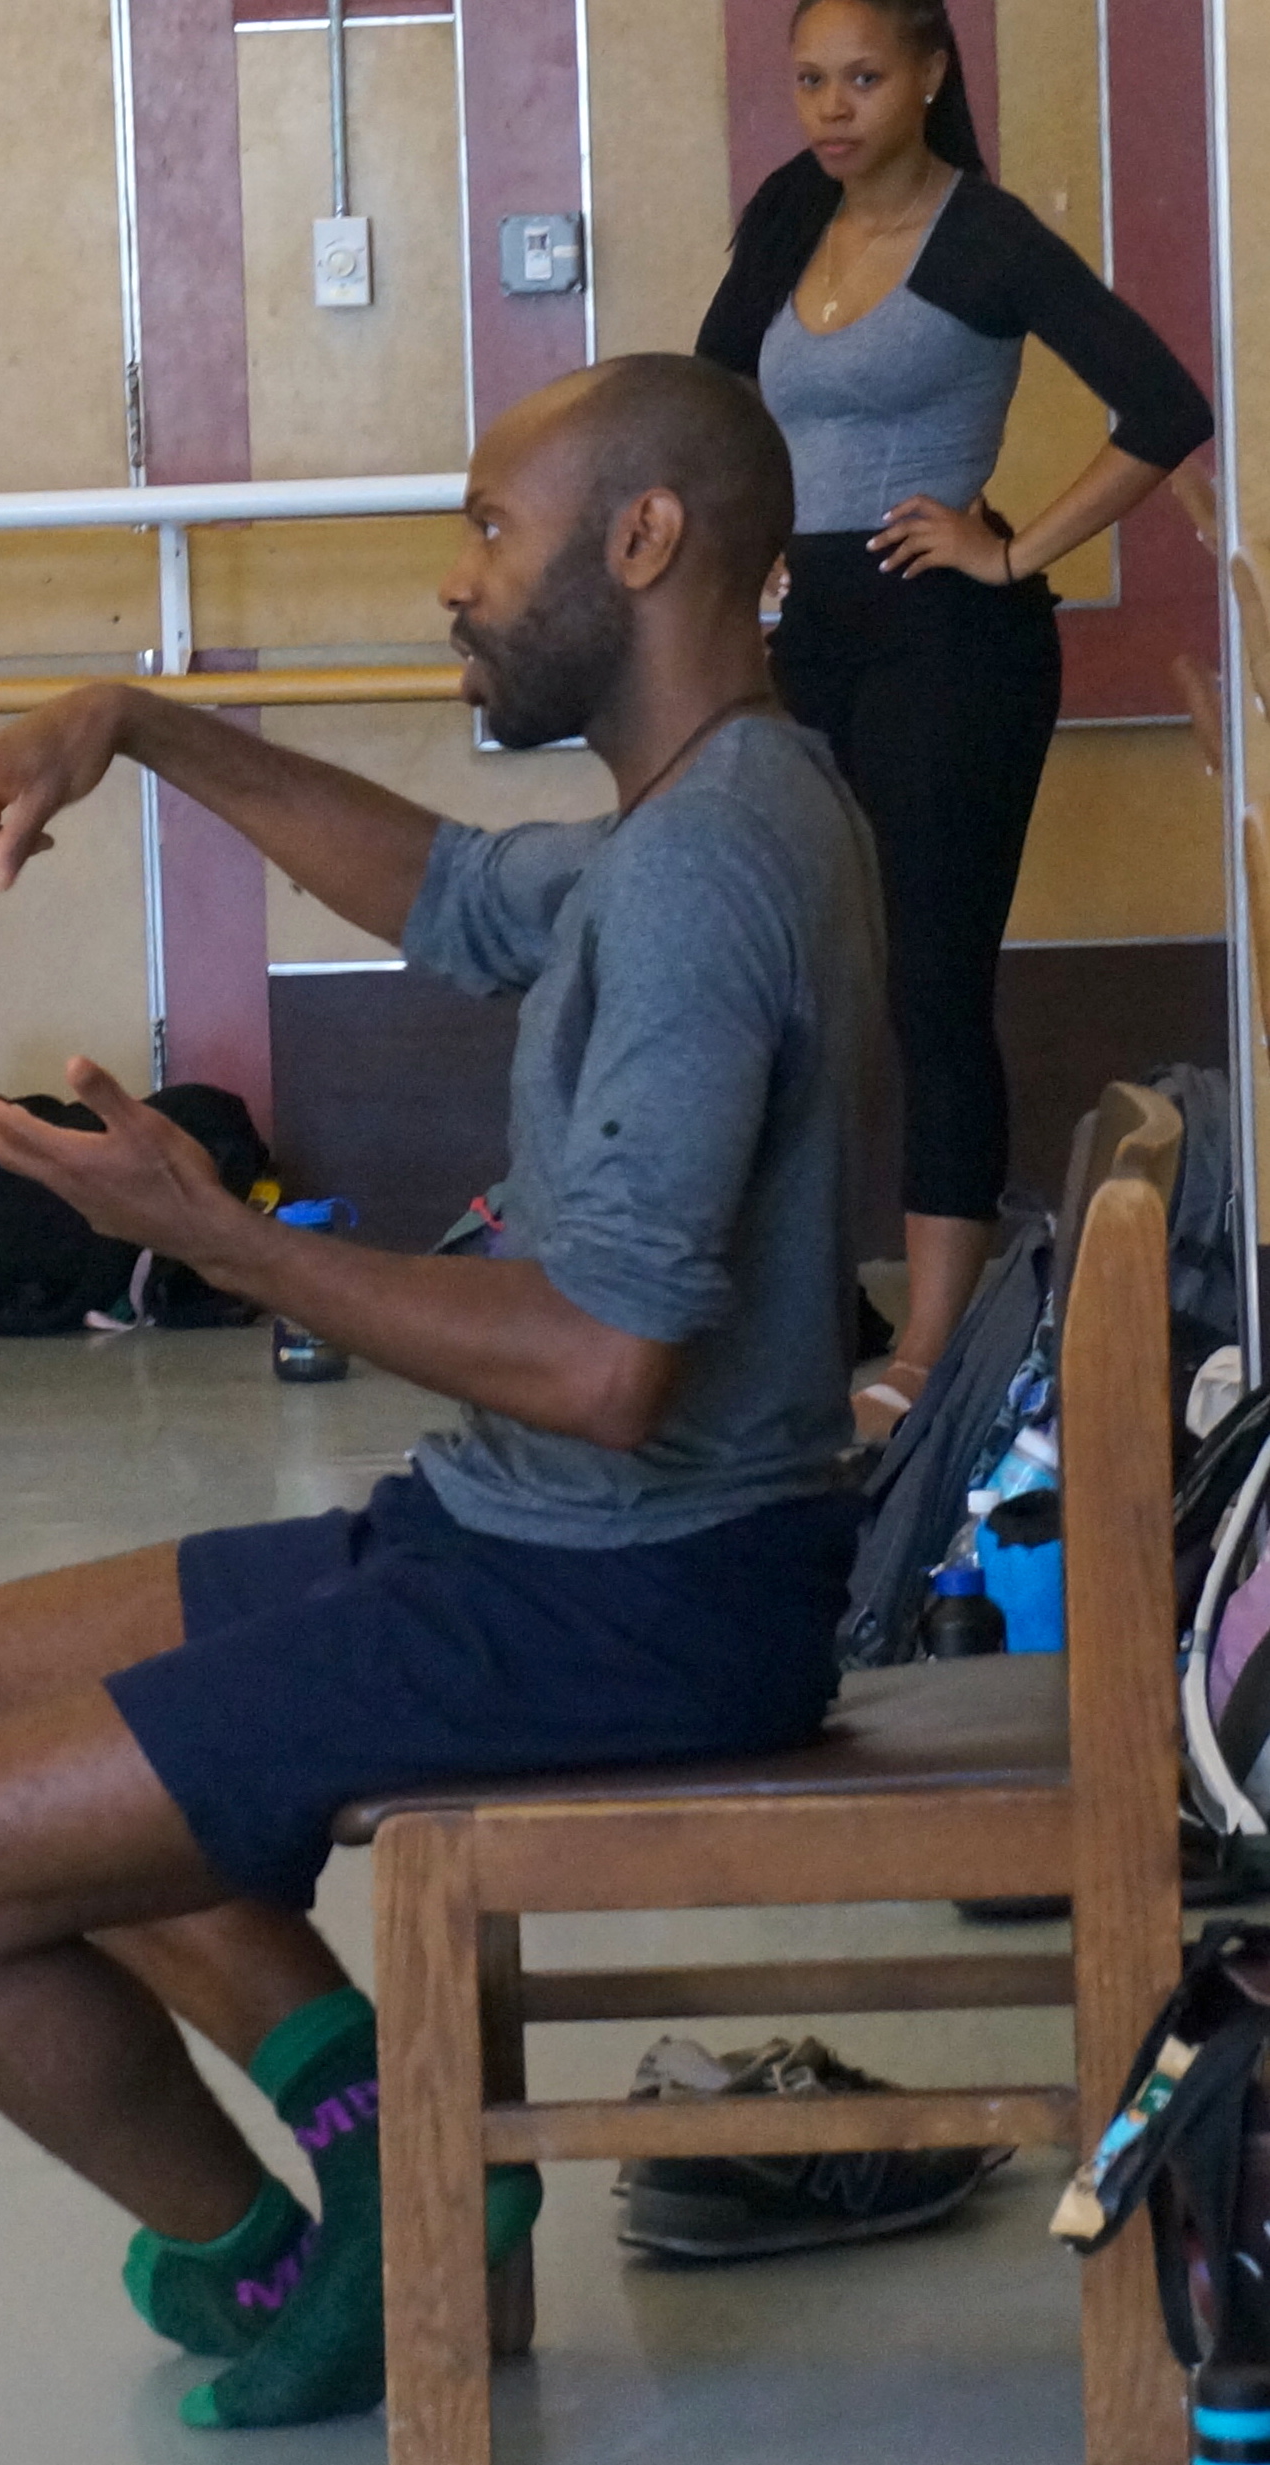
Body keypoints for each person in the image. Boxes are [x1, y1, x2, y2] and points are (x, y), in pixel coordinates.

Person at [0, 357, 878, 2431]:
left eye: (491, 528)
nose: (455, 581)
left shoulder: (705, 874)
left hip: (628, 1593)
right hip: (560, 1544)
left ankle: (295, 2242)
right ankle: (395, 2165)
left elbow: (599, 1367)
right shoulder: (720, 806)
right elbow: (450, 894)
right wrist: (134, 722)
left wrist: (223, 1239)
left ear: (642, 540)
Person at [696, 0, 1211, 1436]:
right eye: (811, 79)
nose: (833, 106)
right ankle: (808, 1307)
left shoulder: (985, 236)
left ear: (929, 76)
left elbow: (1164, 404)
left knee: (931, 982)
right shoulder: (790, 212)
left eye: (863, 77)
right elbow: (710, 393)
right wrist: (745, 552)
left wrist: (1012, 547)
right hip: (811, 640)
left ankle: (926, 1349)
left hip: (951, 645)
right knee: (797, 977)